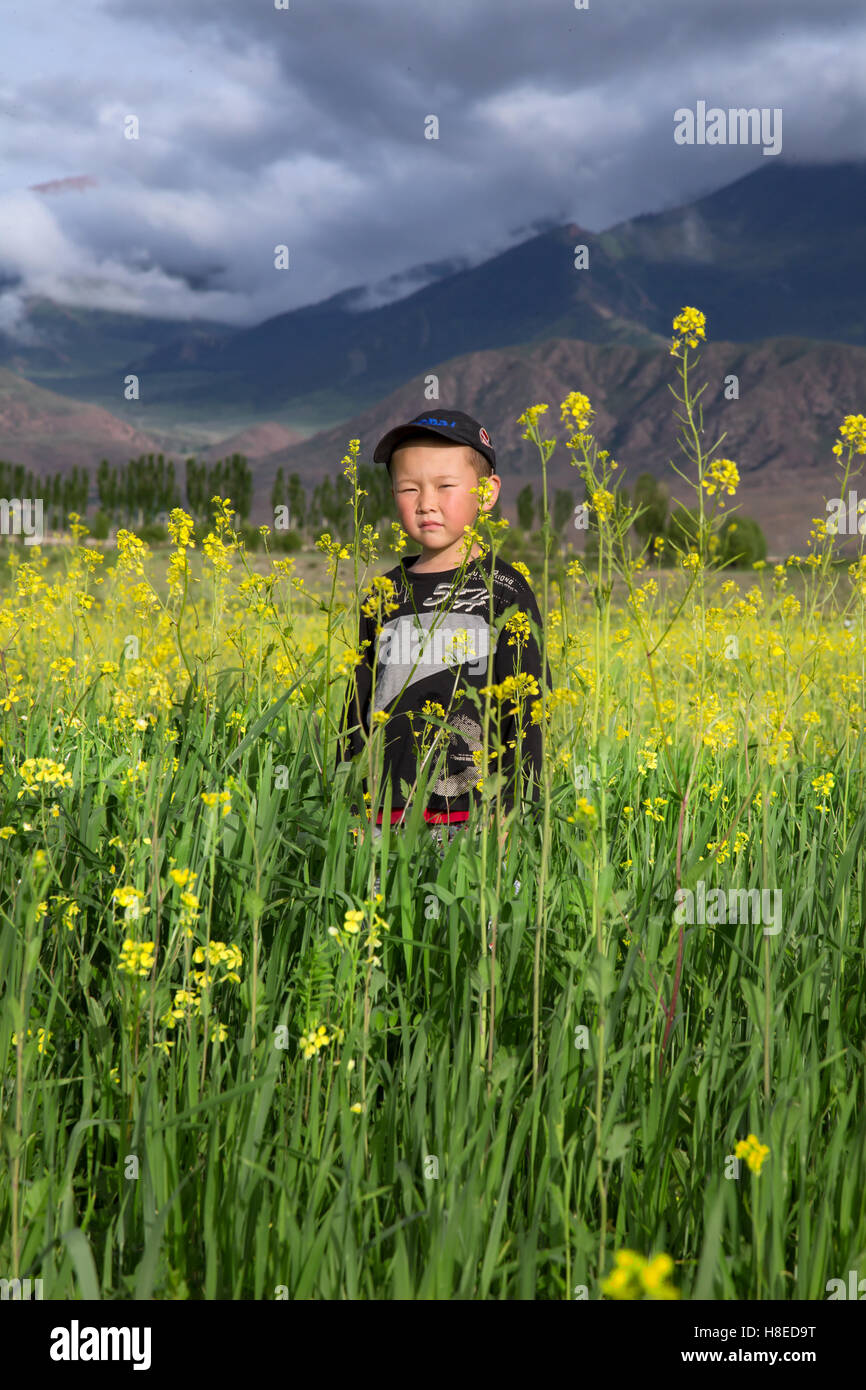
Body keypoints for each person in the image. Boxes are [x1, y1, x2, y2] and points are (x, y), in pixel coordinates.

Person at [335, 408, 552, 863]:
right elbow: (359, 704)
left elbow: (529, 712)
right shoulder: (384, 592)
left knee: (469, 930)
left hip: (472, 818)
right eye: (408, 488)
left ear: (487, 493)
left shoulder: (505, 590)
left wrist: (512, 810)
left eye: (445, 486)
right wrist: (346, 799)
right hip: (382, 815)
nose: (425, 502)